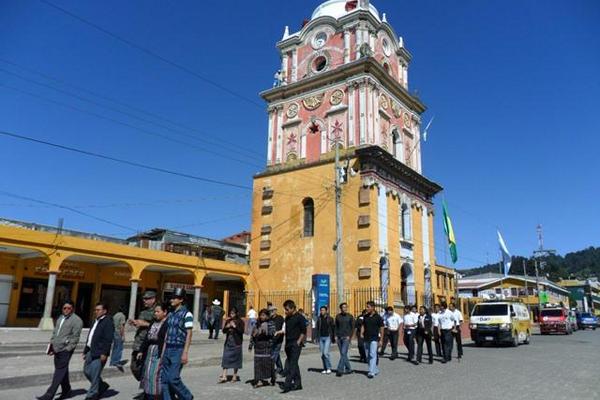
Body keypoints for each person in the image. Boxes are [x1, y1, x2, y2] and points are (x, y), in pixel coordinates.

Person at [37, 300, 83, 400]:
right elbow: (55, 333)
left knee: (59, 372)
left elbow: (75, 338)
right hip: (56, 348)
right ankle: (67, 390)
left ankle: (49, 394)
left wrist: (68, 349)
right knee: (63, 370)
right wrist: (52, 345)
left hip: (65, 350)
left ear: (73, 309)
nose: (66, 310)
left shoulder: (77, 320)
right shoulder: (60, 318)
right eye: (64, 308)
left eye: (69, 308)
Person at [161, 288, 194, 400]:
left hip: (178, 349)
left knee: (173, 378)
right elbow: (167, 333)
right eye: (172, 297)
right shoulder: (171, 314)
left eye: (174, 298)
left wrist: (185, 352)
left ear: (181, 300)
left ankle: (187, 396)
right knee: (164, 380)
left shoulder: (187, 314)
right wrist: (163, 351)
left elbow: (189, 334)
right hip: (168, 348)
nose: (172, 300)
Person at [137, 303, 169, 400]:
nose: (155, 313)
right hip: (150, 351)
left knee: (155, 375)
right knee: (147, 374)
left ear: (165, 312)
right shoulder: (153, 322)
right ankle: (148, 394)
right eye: (155, 311)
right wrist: (141, 350)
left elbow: (166, 340)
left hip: (159, 351)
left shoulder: (167, 324)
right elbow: (147, 337)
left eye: (158, 311)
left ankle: (157, 396)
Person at [83, 302, 114, 400]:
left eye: (98, 310)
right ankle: (101, 385)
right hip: (90, 350)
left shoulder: (108, 321)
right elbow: (90, 336)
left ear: (104, 311)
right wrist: (85, 350)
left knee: (95, 373)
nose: (96, 311)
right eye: (95, 310)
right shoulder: (95, 321)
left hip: (99, 352)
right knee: (87, 371)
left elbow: (108, 339)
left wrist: (105, 353)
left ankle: (92, 394)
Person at [129, 290, 157, 399]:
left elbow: (159, 325)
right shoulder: (143, 311)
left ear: (153, 299)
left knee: (146, 369)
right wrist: (135, 323)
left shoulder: (157, 311)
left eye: (147, 299)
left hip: (148, 343)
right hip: (138, 342)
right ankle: (147, 387)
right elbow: (141, 325)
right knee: (134, 367)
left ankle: (147, 392)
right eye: (144, 299)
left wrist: (144, 323)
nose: (144, 301)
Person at [280, 299, 306, 393]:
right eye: (285, 309)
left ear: (292, 308)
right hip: (288, 343)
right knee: (294, 364)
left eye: (287, 309)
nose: (285, 311)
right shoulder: (287, 318)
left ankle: (287, 385)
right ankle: (298, 384)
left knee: (292, 365)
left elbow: (303, 331)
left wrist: (298, 341)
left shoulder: (300, 317)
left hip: (296, 344)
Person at [249, 308, 276, 388]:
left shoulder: (271, 323)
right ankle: (259, 380)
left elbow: (273, 333)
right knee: (258, 364)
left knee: (268, 363)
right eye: (260, 315)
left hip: (267, 346)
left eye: (263, 315)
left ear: (267, 316)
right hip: (258, 346)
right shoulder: (257, 324)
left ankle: (272, 377)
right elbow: (252, 335)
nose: (261, 317)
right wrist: (251, 345)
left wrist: (265, 332)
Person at [219, 307, 245, 383]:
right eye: (230, 313)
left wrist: (235, 326)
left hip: (237, 342)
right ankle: (224, 376)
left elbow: (241, 331)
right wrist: (226, 327)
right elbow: (224, 331)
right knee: (225, 358)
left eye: (233, 313)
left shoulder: (240, 321)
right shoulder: (228, 321)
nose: (231, 315)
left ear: (236, 313)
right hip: (228, 342)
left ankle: (234, 375)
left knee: (236, 359)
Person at [360, 301, 384, 379]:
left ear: (373, 307)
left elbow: (382, 328)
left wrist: (381, 340)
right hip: (366, 338)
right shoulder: (365, 316)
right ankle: (375, 369)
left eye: (368, 307)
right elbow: (363, 325)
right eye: (366, 307)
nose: (366, 308)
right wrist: (361, 333)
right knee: (367, 355)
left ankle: (371, 372)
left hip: (374, 338)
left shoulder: (378, 317)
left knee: (372, 354)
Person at [334, 303, 354, 377]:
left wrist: (350, 336)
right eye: (343, 307)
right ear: (340, 308)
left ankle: (340, 370)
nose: (344, 308)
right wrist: (335, 336)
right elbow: (335, 327)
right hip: (339, 337)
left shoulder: (350, 316)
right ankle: (349, 369)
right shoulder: (338, 316)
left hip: (346, 337)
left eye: (345, 307)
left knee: (343, 352)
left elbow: (352, 327)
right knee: (343, 354)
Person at [315, 305, 335, 374]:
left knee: (326, 353)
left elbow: (333, 328)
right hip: (321, 337)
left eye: (323, 310)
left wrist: (333, 337)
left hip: (328, 337)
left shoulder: (330, 319)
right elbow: (317, 329)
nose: (322, 311)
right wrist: (316, 337)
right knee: (322, 354)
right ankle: (325, 368)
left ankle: (329, 367)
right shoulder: (319, 319)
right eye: (321, 310)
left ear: (326, 311)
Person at [110, 306, 127, 372]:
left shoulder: (115, 315)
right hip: (119, 333)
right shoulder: (122, 316)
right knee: (119, 348)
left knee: (115, 347)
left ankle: (112, 361)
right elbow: (122, 326)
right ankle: (117, 361)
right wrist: (123, 335)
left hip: (114, 332)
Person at [269, 305, 285, 375]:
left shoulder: (280, 318)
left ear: (275, 311)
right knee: (276, 354)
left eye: (272, 311)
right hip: (271, 339)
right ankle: (280, 368)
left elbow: (283, 328)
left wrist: (279, 334)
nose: (271, 312)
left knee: (274, 354)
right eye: (269, 311)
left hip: (278, 339)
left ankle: (271, 369)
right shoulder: (269, 319)